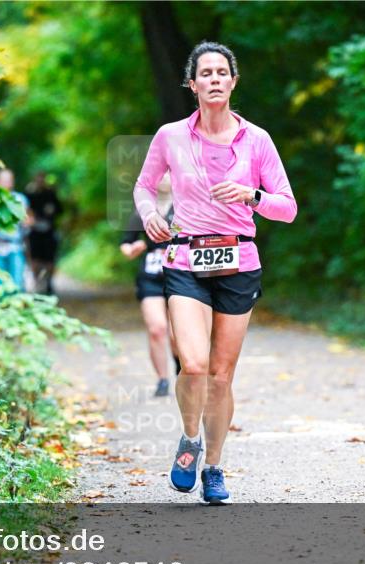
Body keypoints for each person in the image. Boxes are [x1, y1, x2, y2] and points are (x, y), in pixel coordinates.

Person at [134, 41, 297, 504]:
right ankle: (190, 440)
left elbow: (287, 208)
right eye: (204, 73)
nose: (214, 79)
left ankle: (215, 466)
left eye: (222, 72)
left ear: (233, 81)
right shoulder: (170, 136)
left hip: (239, 262)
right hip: (185, 259)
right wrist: (149, 214)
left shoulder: (258, 141)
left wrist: (252, 196)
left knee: (221, 377)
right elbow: (145, 187)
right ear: (192, 84)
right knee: (195, 365)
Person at [120, 172, 181, 398]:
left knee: (177, 335)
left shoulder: (187, 206)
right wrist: (132, 249)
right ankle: (162, 380)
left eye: (169, 172)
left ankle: (180, 366)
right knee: (157, 329)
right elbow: (125, 245)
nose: (164, 176)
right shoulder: (143, 211)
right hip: (150, 277)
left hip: (180, 276)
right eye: (160, 172)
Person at [0, 168, 32, 291]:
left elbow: (29, 220)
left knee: (17, 282)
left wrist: (26, 222)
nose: (5, 183)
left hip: (15, 246)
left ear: (12, 182)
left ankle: (17, 307)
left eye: (7, 180)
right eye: (2, 180)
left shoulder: (20, 200)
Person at [25, 171, 64, 295]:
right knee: (35, 259)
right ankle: (37, 282)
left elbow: (60, 210)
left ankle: (48, 283)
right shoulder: (30, 194)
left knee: (49, 260)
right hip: (35, 232)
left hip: (49, 232)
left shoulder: (51, 194)